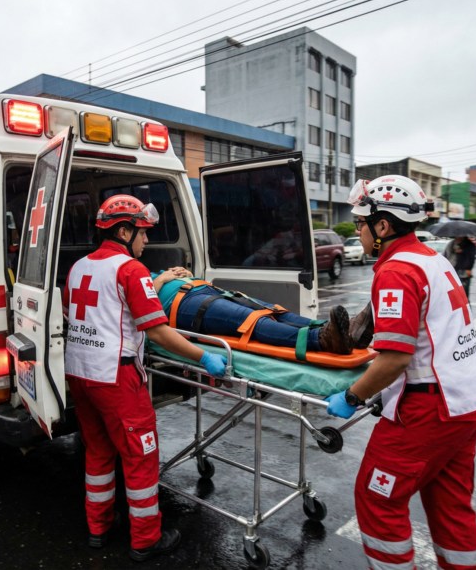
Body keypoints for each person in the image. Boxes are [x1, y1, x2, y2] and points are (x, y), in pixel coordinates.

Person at [325, 176, 476, 570]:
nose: (360, 232)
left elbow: (395, 359)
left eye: (362, 223)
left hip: (430, 410)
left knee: (377, 499)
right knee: (450, 505)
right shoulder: (433, 260)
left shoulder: (397, 272)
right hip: (470, 402)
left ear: (383, 226)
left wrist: (351, 396)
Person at [63, 195, 227, 562]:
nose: (146, 241)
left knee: (99, 452)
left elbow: (103, 302)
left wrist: (161, 278)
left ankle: (99, 527)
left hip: (79, 373)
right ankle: (146, 539)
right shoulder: (130, 270)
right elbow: (157, 333)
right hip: (116, 379)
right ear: (124, 231)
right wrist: (205, 357)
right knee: (140, 458)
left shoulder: (77, 268)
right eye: (142, 233)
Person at [151, 266, 373, 355]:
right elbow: (134, 306)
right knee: (249, 321)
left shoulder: (136, 268)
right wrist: (161, 279)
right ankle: (322, 340)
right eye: (143, 234)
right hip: (180, 306)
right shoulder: (125, 273)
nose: (146, 240)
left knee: (272, 311)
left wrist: (184, 273)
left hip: (202, 290)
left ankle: (343, 331)